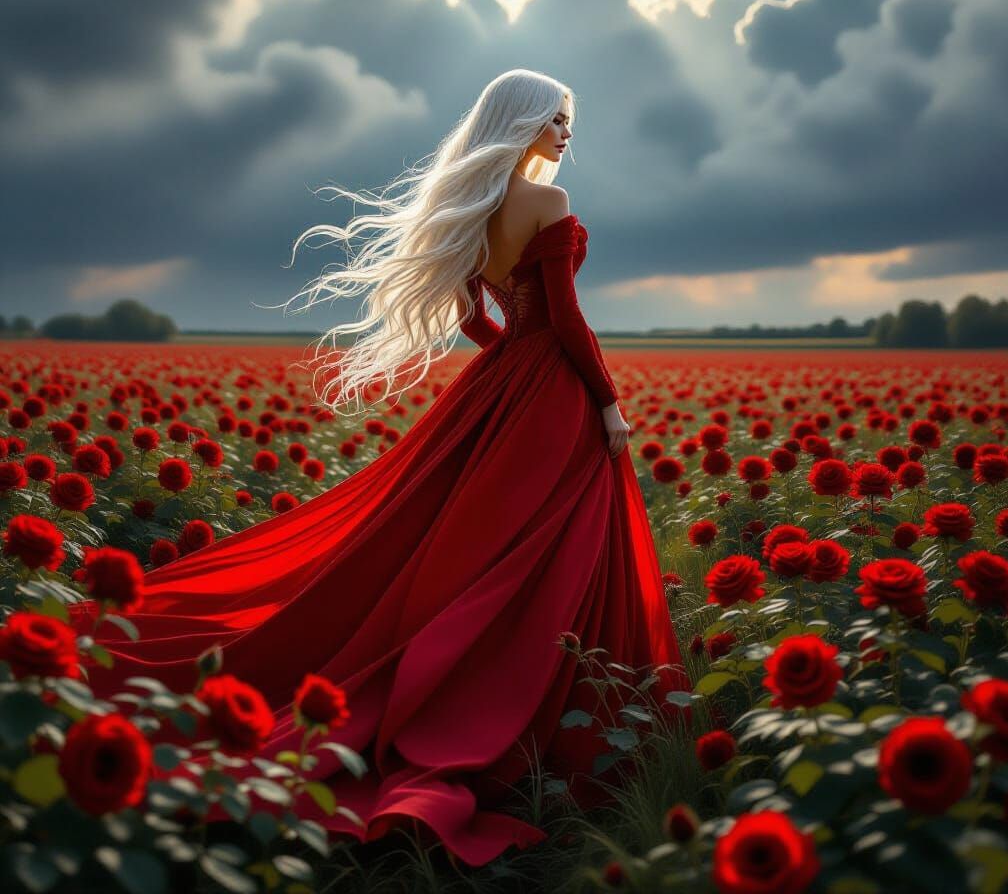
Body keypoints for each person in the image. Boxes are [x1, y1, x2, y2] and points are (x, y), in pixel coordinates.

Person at [68, 69, 690, 868]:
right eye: (557, 119)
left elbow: (473, 311)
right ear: (524, 121)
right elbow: (567, 319)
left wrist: (508, 366)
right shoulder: (548, 205)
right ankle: (548, 703)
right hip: (553, 397)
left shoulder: (473, 207)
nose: (568, 133)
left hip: (503, 388)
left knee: (472, 538)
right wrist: (602, 401)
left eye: (571, 121)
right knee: (550, 541)